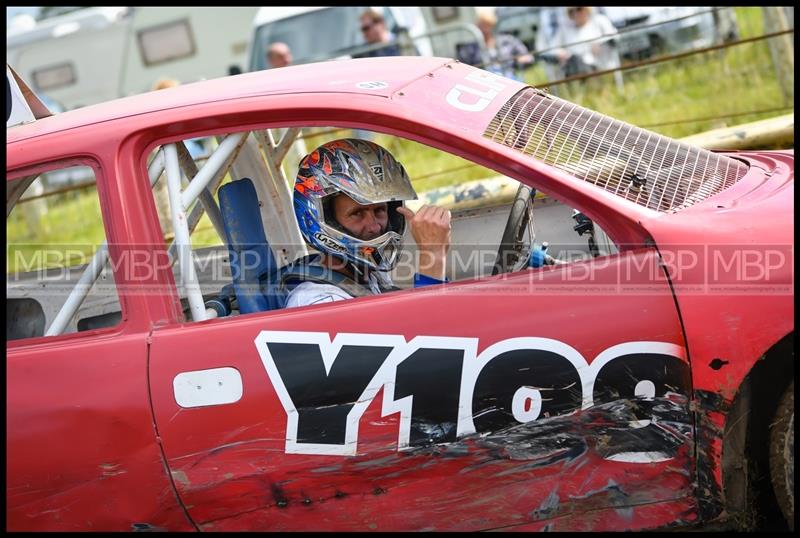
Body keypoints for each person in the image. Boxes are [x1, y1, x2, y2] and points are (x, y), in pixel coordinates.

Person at [283, 138, 451, 308]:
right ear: (326, 220)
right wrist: (433, 255)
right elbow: (430, 330)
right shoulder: (318, 302)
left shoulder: (369, 275)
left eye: (379, 210)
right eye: (357, 214)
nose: (375, 226)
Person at [458, 11, 533, 81]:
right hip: (485, 81)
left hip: (509, 77)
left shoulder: (507, 40)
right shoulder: (471, 49)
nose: (484, 29)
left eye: (487, 25)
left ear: (492, 26)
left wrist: (521, 59)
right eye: (482, 26)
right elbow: (463, 68)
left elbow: (527, 56)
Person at [549, 7, 621, 79]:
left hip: (601, 66)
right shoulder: (565, 29)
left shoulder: (600, 20)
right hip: (575, 68)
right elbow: (552, 49)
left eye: (579, 9)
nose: (575, 13)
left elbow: (614, 36)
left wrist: (600, 43)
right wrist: (560, 52)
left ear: (587, 9)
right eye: (571, 11)